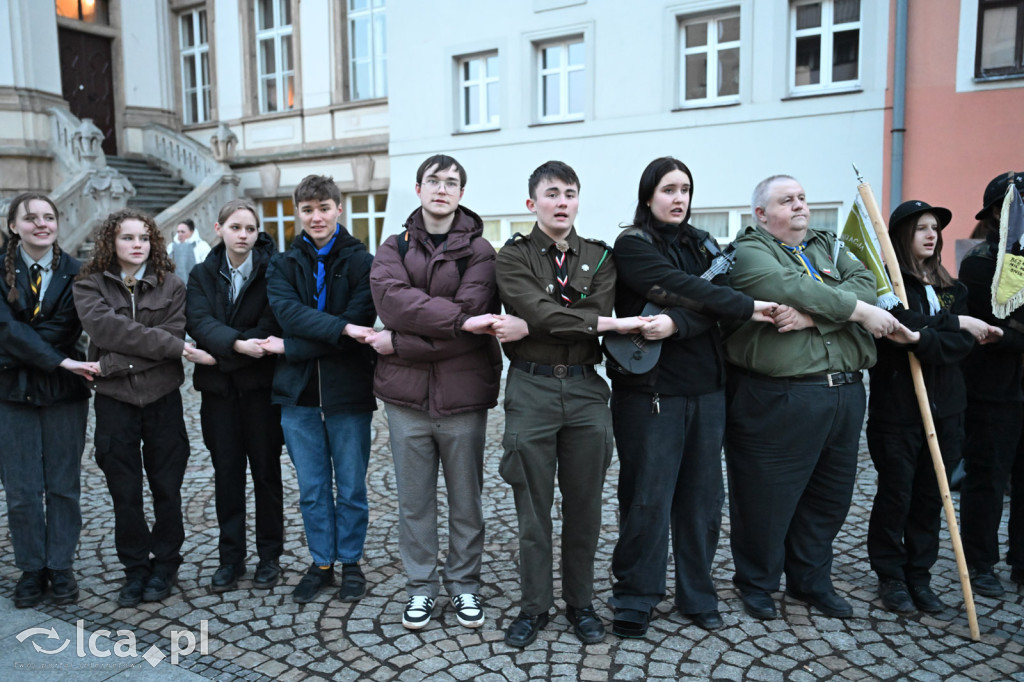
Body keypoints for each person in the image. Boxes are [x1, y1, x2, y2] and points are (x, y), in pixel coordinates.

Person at [607, 158, 777, 637]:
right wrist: (730, 305)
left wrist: (681, 321)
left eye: (685, 189)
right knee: (646, 499)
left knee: (703, 502)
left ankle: (697, 595)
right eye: (668, 189)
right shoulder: (632, 245)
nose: (678, 198)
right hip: (650, 393)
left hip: (707, 390)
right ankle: (636, 596)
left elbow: (712, 304)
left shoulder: (705, 244)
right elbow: (677, 287)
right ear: (648, 197)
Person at [722, 175, 905, 621]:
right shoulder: (747, 252)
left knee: (830, 496)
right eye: (787, 201)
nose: (801, 206)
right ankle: (758, 583)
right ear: (761, 214)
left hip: (843, 393)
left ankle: (810, 581)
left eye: (803, 198)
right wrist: (855, 314)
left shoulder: (831, 246)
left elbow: (868, 284)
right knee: (766, 497)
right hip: (779, 396)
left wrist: (813, 320)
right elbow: (794, 289)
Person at [495, 160, 644, 648]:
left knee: (585, 508)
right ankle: (534, 606)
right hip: (530, 387)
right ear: (531, 203)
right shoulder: (512, 257)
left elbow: (593, 312)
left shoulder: (600, 257)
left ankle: (581, 603)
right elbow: (539, 310)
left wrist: (547, 319)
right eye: (552, 193)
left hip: (585, 389)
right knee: (532, 510)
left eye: (570, 193)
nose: (562, 202)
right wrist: (562, 319)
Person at [366, 154, 501, 630]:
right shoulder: (392, 247)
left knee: (466, 500)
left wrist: (399, 340)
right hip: (406, 401)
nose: (442, 189)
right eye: (433, 181)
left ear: (461, 193)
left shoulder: (481, 252)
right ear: (418, 188)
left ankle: (464, 585)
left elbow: (470, 321)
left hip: (463, 396)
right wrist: (453, 320)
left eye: (452, 182)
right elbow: (391, 301)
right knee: (414, 501)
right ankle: (420, 587)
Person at [74, 208, 216, 607]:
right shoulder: (89, 285)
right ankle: (135, 568)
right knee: (124, 492)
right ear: (111, 243)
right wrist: (172, 349)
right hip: (115, 404)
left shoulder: (171, 285)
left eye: (144, 238)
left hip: (162, 400)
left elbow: (168, 333)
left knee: (167, 488)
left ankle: (166, 564)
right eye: (128, 238)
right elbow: (108, 330)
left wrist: (111, 365)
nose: (137, 245)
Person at [866, 200, 1000, 613]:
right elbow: (896, 328)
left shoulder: (951, 288)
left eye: (935, 228)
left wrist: (925, 339)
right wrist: (953, 325)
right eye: (921, 227)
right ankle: (891, 576)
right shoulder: (886, 288)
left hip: (947, 411)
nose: (931, 235)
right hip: (899, 411)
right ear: (901, 236)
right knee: (897, 494)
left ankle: (919, 576)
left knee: (931, 495)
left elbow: (959, 346)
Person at [263, 174, 377, 604]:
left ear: (339, 209)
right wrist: (342, 329)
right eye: (308, 209)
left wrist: (291, 347)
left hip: (349, 392)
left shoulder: (363, 261)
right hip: (298, 396)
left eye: (324, 207)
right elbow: (288, 313)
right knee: (312, 489)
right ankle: (321, 563)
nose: (316, 216)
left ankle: (350, 562)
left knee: (351, 487)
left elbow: (360, 320)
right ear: (298, 213)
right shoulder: (281, 263)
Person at [0, 193, 98, 608]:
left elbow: (64, 327)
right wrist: (45, 355)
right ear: (13, 226)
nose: (42, 224)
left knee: (63, 487)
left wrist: (18, 346)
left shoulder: (80, 273)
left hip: (64, 394)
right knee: (21, 490)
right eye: (31, 218)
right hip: (10, 395)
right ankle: (31, 567)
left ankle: (60, 566)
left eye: (49, 217)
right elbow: (3, 328)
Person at [186, 199, 286, 593]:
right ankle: (231, 559)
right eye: (236, 227)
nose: (244, 235)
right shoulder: (202, 274)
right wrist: (239, 346)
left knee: (266, 473)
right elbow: (198, 320)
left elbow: (271, 324)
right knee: (227, 475)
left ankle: (269, 557)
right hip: (218, 396)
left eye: (250, 229)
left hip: (261, 392)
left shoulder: (272, 270)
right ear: (219, 228)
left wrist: (221, 351)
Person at [959, 171, 1024, 597]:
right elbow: (995, 329)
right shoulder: (980, 263)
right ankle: (981, 563)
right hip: (993, 393)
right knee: (987, 479)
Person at [167, 219, 211, 283]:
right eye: (178, 232)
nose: (180, 234)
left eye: (183, 232)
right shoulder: (171, 247)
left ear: (192, 232)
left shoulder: (202, 246)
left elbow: (208, 266)